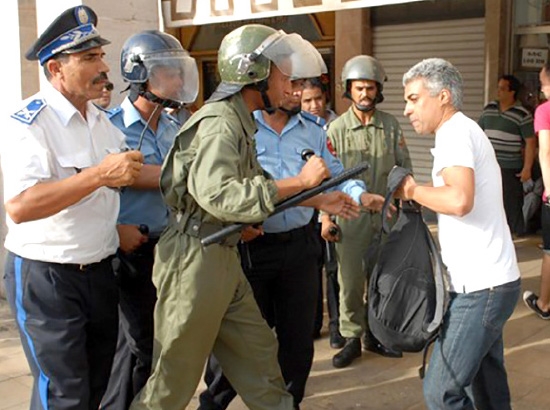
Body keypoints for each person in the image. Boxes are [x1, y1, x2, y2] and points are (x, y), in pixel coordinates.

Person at [130, 24, 359, 410]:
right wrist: (301, 181)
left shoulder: (239, 119)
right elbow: (221, 196)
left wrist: (316, 199)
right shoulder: (220, 123)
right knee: (172, 382)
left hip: (222, 255)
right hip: (194, 261)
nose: (293, 87)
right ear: (253, 73)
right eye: (283, 75)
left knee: (259, 360)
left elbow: (256, 186)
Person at [199, 79, 384, 409]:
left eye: (299, 85)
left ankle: (289, 403)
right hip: (251, 247)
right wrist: (314, 197)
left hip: (300, 248)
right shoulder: (238, 126)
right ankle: (213, 403)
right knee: (236, 341)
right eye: (288, 84)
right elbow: (237, 189)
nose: (296, 93)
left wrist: (359, 194)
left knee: (297, 343)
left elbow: (337, 173)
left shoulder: (313, 128)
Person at [1, 6, 144, 410]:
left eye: (100, 55)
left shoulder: (101, 121)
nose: (102, 66)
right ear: (55, 70)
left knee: (96, 384)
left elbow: (119, 180)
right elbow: (22, 206)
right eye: (88, 58)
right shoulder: (28, 123)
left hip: (98, 270)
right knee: (64, 393)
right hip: (48, 278)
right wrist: (99, 174)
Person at [398, 57, 520, 410]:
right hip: (493, 281)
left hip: (479, 289)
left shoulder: (454, 134)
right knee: (487, 382)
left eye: (414, 98)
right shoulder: (464, 130)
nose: (407, 109)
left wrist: (412, 190)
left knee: (442, 390)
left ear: (444, 97)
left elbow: (459, 199)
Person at [100, 30, 199, 409]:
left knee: (157, 345)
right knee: (138, 345)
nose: (177, 80)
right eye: (168, 72)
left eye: (178, 72)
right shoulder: (110, 127)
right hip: (130, 252)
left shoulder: (174, 128)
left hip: (169, 250)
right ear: (142, 76)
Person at [327, 55, 411, 368]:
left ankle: (375, 335)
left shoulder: (390, 125)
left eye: (370, 88)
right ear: (349, 90)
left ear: (378, 91)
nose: (365, 93)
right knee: (350, 281)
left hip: (387, 217)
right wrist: (326, 218)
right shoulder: (335, 129)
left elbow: (404, 167)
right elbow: (326, 179)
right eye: (359, 88)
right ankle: (352, 338)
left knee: (383, 280)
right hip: (349, 217)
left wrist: (404, 202)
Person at [301, 76, 345, 349]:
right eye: (307, 100)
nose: (314, 105)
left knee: (333, 270)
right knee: (309, 272)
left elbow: (338, 171)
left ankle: (337, 326)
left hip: (330, 207)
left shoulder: (335, 126)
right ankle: (313, 323)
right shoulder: (298, 128)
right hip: (303, 209)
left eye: (318, 98)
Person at [478, 74, 536, 236]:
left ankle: (515, 235)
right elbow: (478, 133)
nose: (498, 91)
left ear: (512, 92)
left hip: (510, 167)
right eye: (498, 87)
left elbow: (530, 143)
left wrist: (527, 168)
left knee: (511, 203)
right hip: (488, 166)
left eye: (503, 88)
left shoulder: (522, 114)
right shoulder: (489, 109)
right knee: (488, 201)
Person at [523, 63, 550, 320]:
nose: (541, 89)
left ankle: (544, 304)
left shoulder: (544, 111)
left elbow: (545, 151)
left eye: (542, 83)